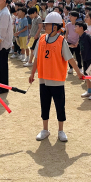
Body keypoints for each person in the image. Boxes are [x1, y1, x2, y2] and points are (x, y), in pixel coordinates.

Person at [29, 12, 83, 142]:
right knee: (44, 105)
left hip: (57, 80)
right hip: (43, 78)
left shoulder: (61, 41)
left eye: (47, 24)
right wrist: (32, 73)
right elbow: (36, 57)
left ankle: (61, 130)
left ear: (55, 27)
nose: (44, 26)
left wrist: (79, 73)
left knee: (60, 106)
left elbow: (70, 59)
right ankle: (45, 129)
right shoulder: (41, 39)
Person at [76, 21, 91, 100]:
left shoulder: (87, 36)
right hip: (84, 58)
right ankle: (89, 90)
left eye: (76, 26)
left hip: (90, 57)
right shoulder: (80, 36)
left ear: (81, 28)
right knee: (87, 75)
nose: (75, 28)